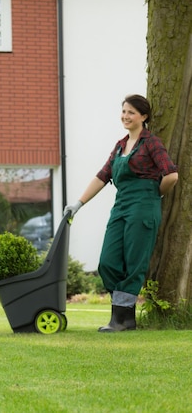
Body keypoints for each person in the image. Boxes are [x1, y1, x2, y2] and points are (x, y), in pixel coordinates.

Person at [64, 94, 178, 332]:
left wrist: (154, 194)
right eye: (124, 111)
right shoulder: (119, 145)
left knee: (135, 261)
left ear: (143, 117)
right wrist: (78, 203)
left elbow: (171, 174)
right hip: (121, 206)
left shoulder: (151, 143)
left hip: (144, 206)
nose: (125, 116)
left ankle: (122, 320)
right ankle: (123, 316)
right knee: (108, 261)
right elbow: (103, 175)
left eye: (131, 113)